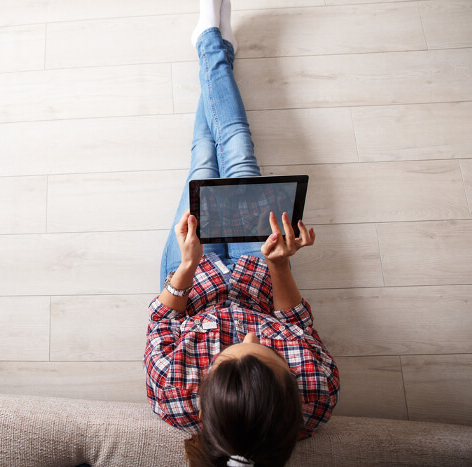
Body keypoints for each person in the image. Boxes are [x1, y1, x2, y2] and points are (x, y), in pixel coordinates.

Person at [143, 1, 340, 466]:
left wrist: (188, 266)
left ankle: (213, 45)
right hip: (258, 271)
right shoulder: (318, 392)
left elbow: (161, 324)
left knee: (202, 162)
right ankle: (213, 46)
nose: (252, 338)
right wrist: (279, 264)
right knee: (238, 155)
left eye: (232, 354)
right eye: (267, 352)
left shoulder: (172, 394)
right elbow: (294, 324)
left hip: (191, 278)